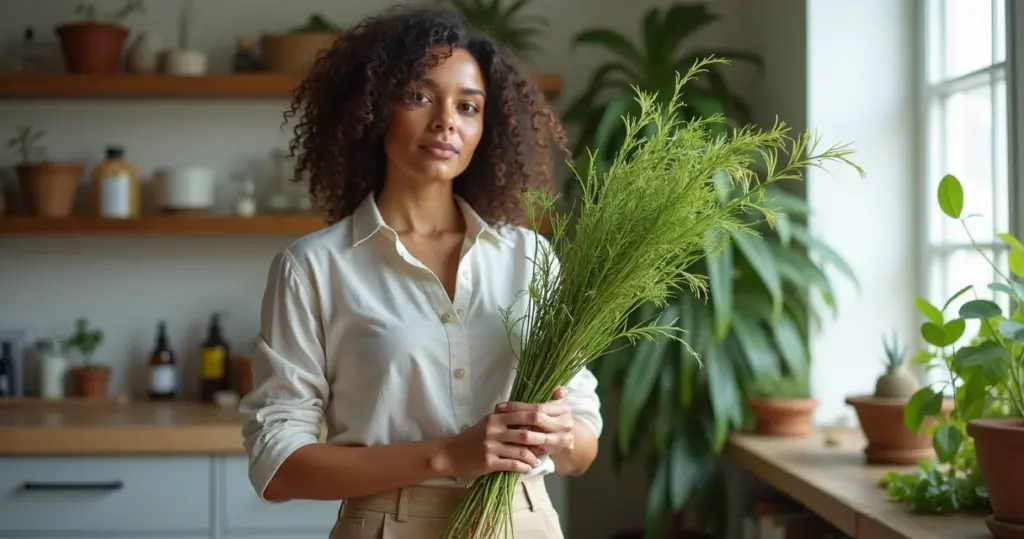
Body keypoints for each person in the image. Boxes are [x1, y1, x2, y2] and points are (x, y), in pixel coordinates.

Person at [238, 5, 603, 538]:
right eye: (419, 96)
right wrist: (448, 455)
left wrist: (559, 433)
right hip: (388, 524)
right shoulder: (314, 268)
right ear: (374, 109)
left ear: (486, 128)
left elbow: (582, 450)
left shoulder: (530, 258)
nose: (446, 121)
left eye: (469, 106)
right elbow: (276, 466)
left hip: (524, 521)